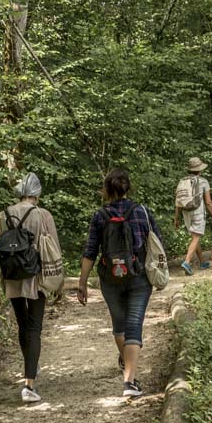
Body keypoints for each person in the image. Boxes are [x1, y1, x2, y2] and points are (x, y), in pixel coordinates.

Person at [77, 168, 162, 398]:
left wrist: (82, 283)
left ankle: (126, 362)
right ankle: (129, 382)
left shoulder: (99, 216)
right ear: (128, 188)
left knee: (119, 325)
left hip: (109, 279)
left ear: (106, 189)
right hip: (139, 277)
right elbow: (157, 242)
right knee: (134, 325)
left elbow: (90, 251)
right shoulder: (142, 212)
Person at [0, 172, 61, 403]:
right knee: (35, 328)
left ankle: (31, 362)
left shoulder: (3, 215)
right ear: (37, 194)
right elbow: (54, 249)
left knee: (23, 324)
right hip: (37, 278)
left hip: (11, 277)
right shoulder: (43, 215)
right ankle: (29, 384)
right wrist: (58, 281)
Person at [174, 157, 212, 276]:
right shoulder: (203, 181)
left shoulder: (182, 181)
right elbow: (208, 202)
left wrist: (177, 218)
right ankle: (187, 262)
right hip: (198, 211)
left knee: (195, 236)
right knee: (196, 237)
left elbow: (178, 201)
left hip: (185, 211)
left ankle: (202, 262)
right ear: (200, 169)